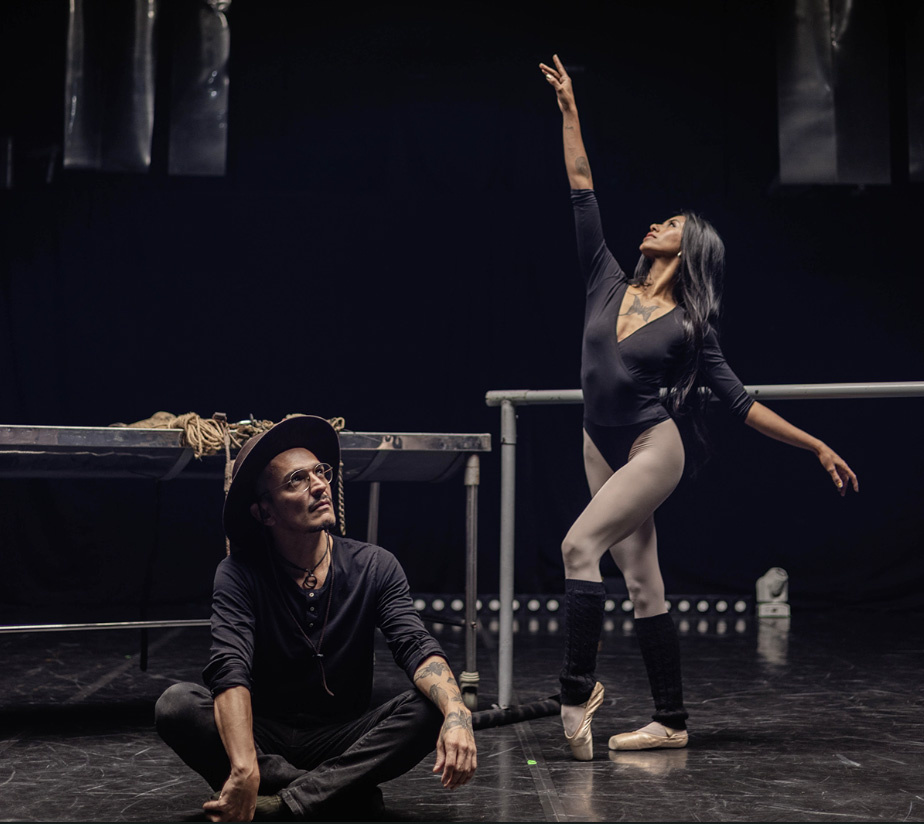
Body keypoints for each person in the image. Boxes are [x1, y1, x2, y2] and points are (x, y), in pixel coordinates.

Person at [538, 54, 858, 760]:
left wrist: (816, 445)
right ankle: (672, 719)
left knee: (578, 547)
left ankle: (576, 690)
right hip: (597, 441)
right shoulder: (605, 279)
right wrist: (570, 112)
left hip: (652, 448)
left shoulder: (691, 325)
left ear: (690, 249)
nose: (656, 223)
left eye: (672, 223)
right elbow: (582, 184)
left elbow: (741, 404)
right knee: (643, 583)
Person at [155, 415, 477, 821]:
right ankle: (338, 793)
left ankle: (288, 801)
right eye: (297, 480)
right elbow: (229, 668)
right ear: (265, 513)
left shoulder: (375, 565)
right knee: (177, 705)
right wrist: (244, 767)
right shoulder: (238, 572)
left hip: (342, 737)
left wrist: (458, 714)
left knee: (431, 706)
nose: (320, 485)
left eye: (320, 472)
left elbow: (415, 645)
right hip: (262, 737)